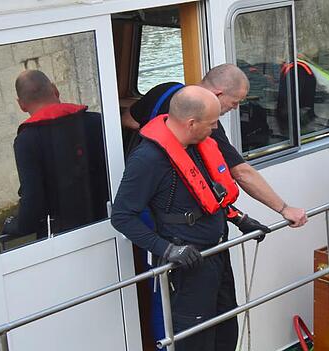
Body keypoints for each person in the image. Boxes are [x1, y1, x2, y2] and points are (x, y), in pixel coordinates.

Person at [111, 86, 271, 351]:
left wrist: (243, 220)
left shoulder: (198, 145)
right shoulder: (149, 158)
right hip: (187, 263)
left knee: (223, 335)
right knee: (195, 346)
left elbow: (210, 197)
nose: (217, 129)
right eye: (213, 122)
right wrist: (166, 249)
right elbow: (121, 215)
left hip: (217, 252)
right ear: (192, 121)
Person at [129, 64, 309, 228]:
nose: (236, 107)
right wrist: (284, 208)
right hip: (179, 221)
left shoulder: (165, 90)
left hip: (146, 204)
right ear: (218, 94)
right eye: (235, 102)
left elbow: (129, 119)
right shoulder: (205, 124)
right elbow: (241, 172)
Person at [3, 69, 107, 239]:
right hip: (107, 221)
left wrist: (14, 225)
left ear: (21, 105)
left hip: (61, 237)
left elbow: (33, 198)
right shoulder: (96, 121)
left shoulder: (26, 141)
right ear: (55, 90)